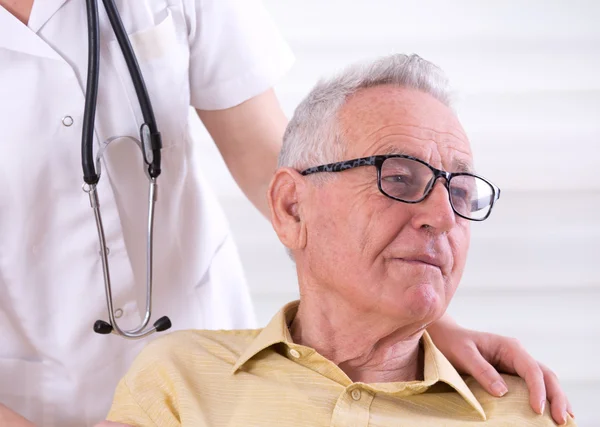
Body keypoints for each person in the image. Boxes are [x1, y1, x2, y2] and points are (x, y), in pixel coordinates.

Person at [0, 1, 571, 426]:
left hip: (198, 330)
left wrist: (417, 315)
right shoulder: (175, 378)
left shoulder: (524, 410)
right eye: (398, 177)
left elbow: (276, 162)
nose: (442, 216)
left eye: (458, 193)